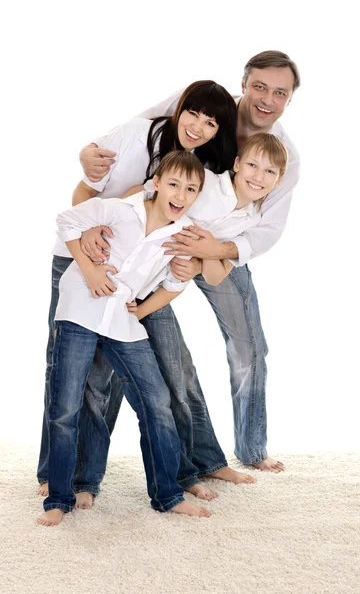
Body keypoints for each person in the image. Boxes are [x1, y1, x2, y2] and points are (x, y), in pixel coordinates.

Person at [80, 50, 301, 474]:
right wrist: (91, 154)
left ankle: (249, 449)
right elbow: (144, 128)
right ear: (244, 84)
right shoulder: (209, 105)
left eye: (280, 92)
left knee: (248, 342)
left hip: (220, 247)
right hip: (159, 241)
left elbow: (266, 230)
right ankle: (87, 469)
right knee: (122, 350)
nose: (267, 99)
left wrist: (206, 256)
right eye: (259, 86)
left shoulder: (285, 158)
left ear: (290, 99)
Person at [37, 80, 239, 506]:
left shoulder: (201, 178)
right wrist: (90, 240)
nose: (198, 128)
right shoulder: (135, 135)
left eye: (211, 123)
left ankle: (185, 471)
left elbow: (204, 252)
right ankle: (66, 478)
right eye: (194, 115)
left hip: (140, 280)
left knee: (169, 371)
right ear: (179, 108)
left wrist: (198, 261)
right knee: (75, 378)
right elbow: (81, 199)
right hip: (86, 262)